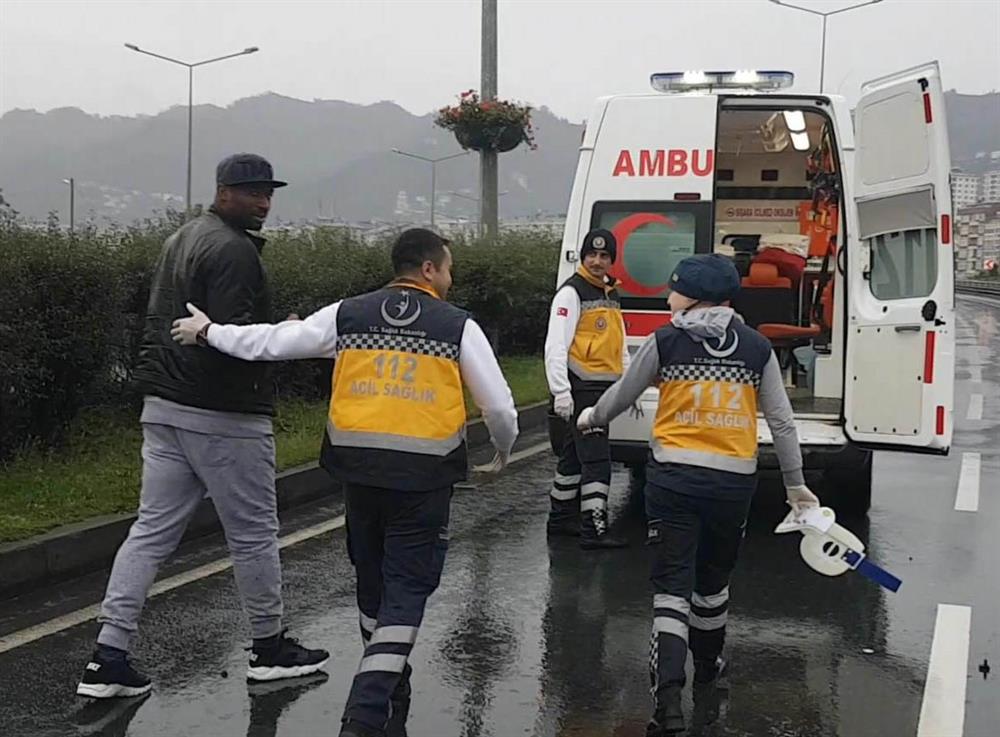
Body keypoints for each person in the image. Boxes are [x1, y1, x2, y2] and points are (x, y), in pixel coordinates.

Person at [171, 227, 519, 737]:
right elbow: (500, 407)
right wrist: (503, 451)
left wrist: (209, 332)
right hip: (422, 479)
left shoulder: (347, 313)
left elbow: (273, 342)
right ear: (428, 269)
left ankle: (391, 680)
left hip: (358, 473)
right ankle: (365, 711)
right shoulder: (457, 326)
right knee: (406, 592)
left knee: (373, 584)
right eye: (448, 269)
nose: (450, 278)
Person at [76, 154, 329, 700]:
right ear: (223, 192)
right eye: (252, 192)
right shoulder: (234, 249)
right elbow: (232, 337)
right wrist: (284, 336)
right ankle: (268, 650)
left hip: (164, 407)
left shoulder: (182, 237)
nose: (263, 202)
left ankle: (107, 658)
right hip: (224, 413)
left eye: (268, 192)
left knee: (150, 533)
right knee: (254, 533)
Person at [576, 253, 820, 735]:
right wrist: (796, 486)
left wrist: (592, 417)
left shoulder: (666, 340)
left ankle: (668, 702)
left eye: (675, 291)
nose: (669, 299)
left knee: (671, 589)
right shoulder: (756, 348)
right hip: (732, 485)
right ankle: (708, 668)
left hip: (673, 480)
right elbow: (782, 421)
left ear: (693, 298)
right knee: (711, 585)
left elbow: (624, 392)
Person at [543, 228, 629, 549]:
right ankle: (594, 529)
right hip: (582, 389)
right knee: (597, 460)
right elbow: (556, 345)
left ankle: (560, 520)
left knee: (573, 458)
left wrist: (628, 383)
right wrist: (561, 391)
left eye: (604, 256)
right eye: (591, 254)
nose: (597, 261)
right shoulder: (571, 293)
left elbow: (618, 342)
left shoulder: (610, 292)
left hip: (603, 389)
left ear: (611, 260)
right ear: (582, 256)